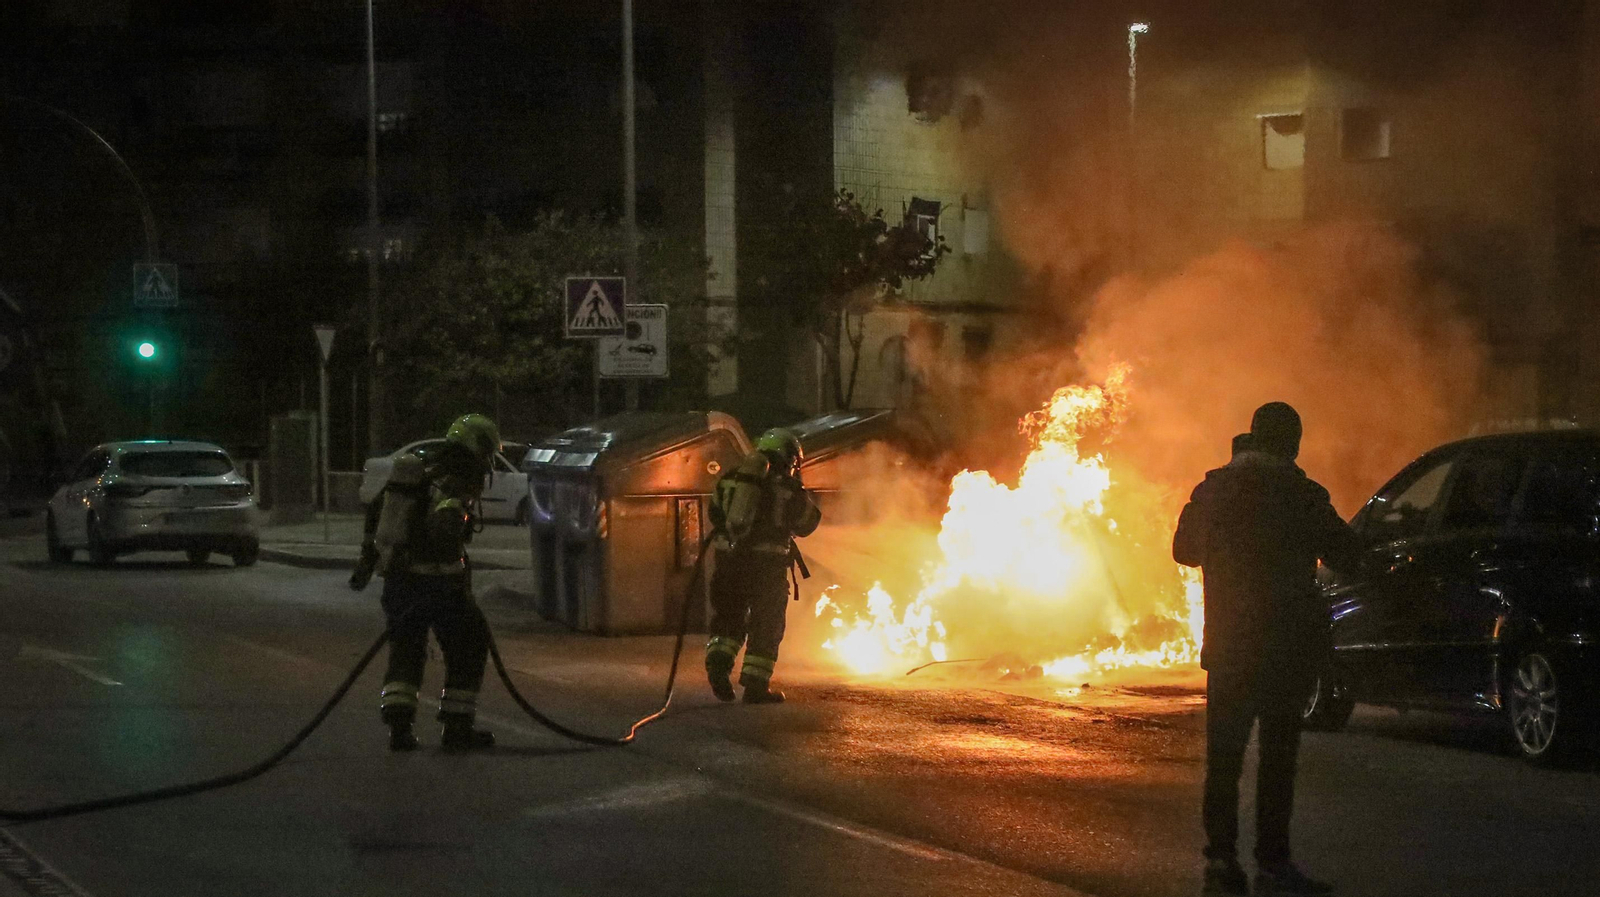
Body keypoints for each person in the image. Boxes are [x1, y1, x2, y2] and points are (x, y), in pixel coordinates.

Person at [1173, 403, 1359, 897]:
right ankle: (1273, 862)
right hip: (1285, 648)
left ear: (1251, 438)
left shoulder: (1214, 488)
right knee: (1278, 761)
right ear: (1291, 444)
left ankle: (1220, 862)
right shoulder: (1303, 494)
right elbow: (1348, 554)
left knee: (1225, 760)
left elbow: (1184, 550)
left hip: (1231, 647)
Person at [358, 413, 501, 752]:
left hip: (399, 582)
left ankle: (399, 729)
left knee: (406, 650)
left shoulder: (419, 471)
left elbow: (376, 512)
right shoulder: (459, 477)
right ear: (477, 446)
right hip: (438, 585)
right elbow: (445, 528)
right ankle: (457, 728)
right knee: (469, 645)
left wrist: (369, 560)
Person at [704, 428, 822, 704]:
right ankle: (756, 686)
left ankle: (718, 666)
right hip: (766, 569)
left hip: (728, 564)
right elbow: (808, 522)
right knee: (766, 623)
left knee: (729, 617)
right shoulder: (786, 487)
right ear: (789, 458)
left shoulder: (731, 479)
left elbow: (714, 513)